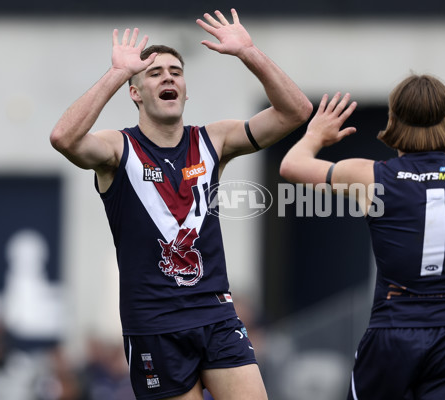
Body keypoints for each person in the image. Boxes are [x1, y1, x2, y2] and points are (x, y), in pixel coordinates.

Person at [50, 9, 312, 400]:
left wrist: (249, 52)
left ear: (186, 91)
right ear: (135, 93)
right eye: (154, 73)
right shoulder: (117, 148)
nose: (168, 76)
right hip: (154, 324)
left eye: (176, 71)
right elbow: (64, 138)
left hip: (216, 314)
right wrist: (117, 73)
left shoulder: (214, 139)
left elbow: (296, 112)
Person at [279, 75, 445, 399]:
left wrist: (316, 134)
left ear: (393, 120)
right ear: (444, 119)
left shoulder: (371, 175)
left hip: (392, 333)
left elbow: (292, 166)